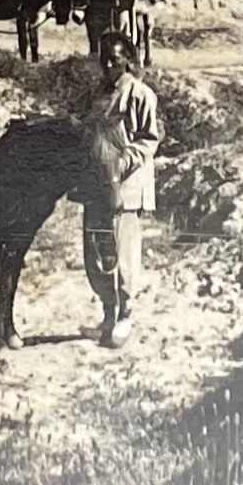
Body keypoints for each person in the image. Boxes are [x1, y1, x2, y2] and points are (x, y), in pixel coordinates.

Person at [85, 45, 165, 326]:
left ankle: (125, 310)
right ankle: (108, 309)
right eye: (103, 60)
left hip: (125, 184)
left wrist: (121, 161)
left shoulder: (141, 94)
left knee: (122, 250)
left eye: (115, 60)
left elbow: (148, 139)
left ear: (128, 61)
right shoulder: (97, 94)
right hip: (97, 183)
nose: (108, 65)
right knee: (96, 251)